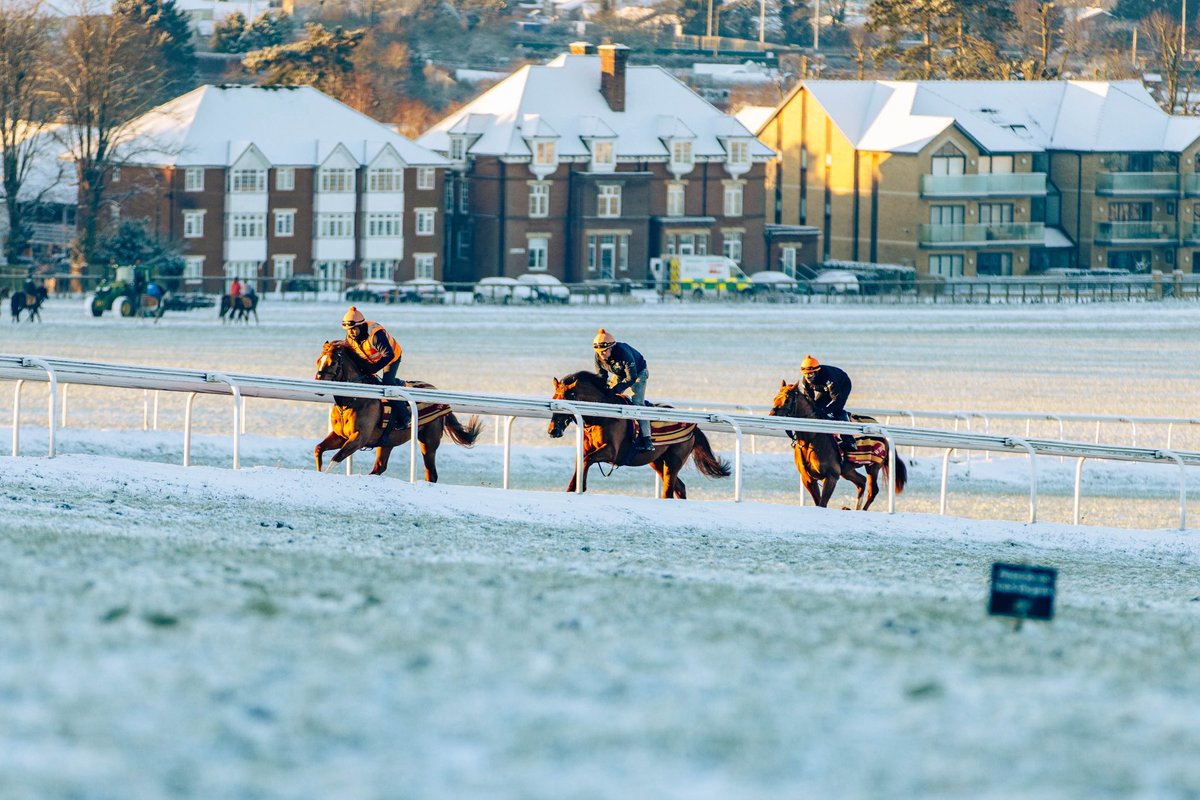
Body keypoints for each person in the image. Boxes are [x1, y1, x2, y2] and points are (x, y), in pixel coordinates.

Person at [342, 306, 408, 429]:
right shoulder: (350, 338)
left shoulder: (376, 334)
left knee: (387, 384)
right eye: (348, 330)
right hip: (373, 360)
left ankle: (404, 418)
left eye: (353, 329)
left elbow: (388, 355)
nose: (351, 333)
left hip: (391, 357)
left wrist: (372, 369)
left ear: (361, 326)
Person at [593, 328, 654, 451]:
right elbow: (601, 376)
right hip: (620, 373)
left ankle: (647, 439)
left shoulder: (623, 353)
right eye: (599, 352)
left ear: (612, 348)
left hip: (638, 373)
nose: (602, 355)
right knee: (607, 396)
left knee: (637, 402)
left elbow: (631, 378)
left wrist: (616, 389)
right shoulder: (598, 357)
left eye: (604, 351)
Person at [799, 354, 855, 455]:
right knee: (816, 408)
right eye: (806, 374)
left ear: (817, 371)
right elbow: (809, 401)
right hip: (824, 388)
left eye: (811, 374)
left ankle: (849, 440)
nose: (808, 377)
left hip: (842, 384)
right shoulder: (805, 381)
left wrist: (825, 410)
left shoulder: (828, 376)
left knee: (835, 410)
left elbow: (837, 399)